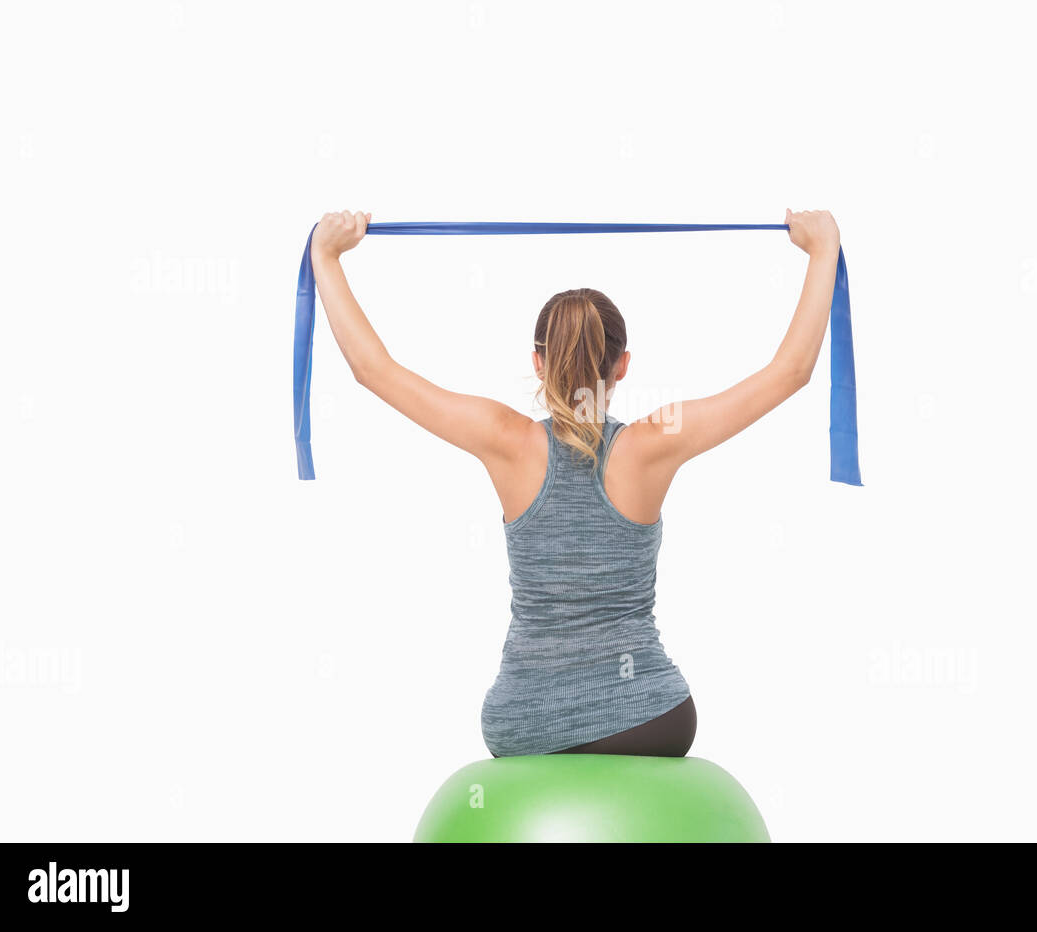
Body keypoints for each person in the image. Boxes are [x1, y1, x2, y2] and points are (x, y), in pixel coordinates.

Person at [310, 208, 841, 757]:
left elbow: (374, 371)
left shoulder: (502, 438)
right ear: (624, 364)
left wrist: (326, 258)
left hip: (524, 722)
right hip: (650, 718)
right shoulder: (656, 439)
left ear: (537, 363)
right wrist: (822, 251)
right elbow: (790, 372)